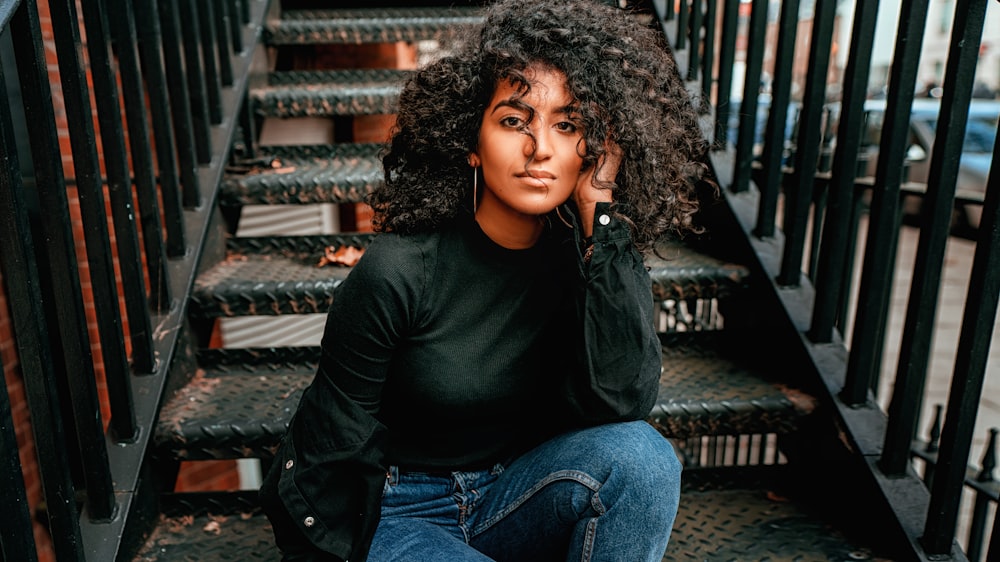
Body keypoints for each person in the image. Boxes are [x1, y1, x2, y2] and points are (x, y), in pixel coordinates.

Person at [259, 0, 709, 560]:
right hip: (394, 510)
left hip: (515, 492)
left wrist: (603, 214)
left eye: (567, 126)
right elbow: (329, 451)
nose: (540, 149)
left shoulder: (591, 255)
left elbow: (621, 403)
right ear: (471, 142)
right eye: (514, 120)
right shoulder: (399, 270)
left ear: (594, 149)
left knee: (643, 458)